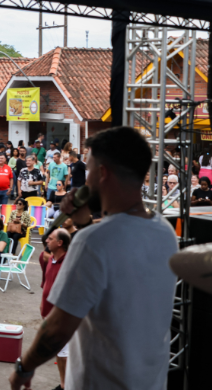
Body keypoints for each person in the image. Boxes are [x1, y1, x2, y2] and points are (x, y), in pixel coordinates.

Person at [9, 126, 178, 390]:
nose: (85, 179)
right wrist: (83, 221)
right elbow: (116, 251)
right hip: (150, 381)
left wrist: (24, 367)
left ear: (102, 173)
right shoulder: (164, 232)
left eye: (88, 170)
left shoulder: (94, 242)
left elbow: (57, 328)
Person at [40, 228, 72, 390]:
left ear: (60, 243)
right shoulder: (51, 259)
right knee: (60, 352)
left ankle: (67, 385)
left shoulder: (69, 263)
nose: (46, 241)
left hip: (62, 317)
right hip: (49, 313)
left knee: (64, 354)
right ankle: (64, 383)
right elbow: (46, 283)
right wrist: (42, 303)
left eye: (50, 239)